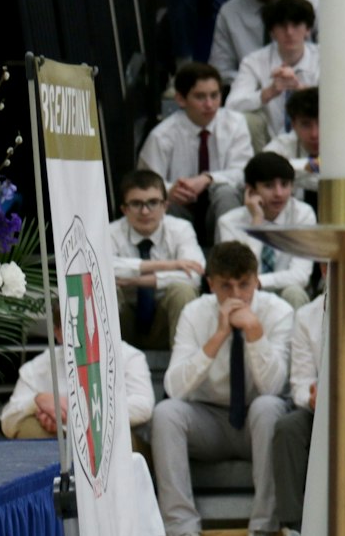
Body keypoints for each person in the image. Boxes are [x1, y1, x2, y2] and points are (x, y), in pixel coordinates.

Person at [152, 241, 294, 536]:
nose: (237, 295)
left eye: (244, 285)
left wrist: (255, 333)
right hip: (209, 422)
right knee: (166, 413)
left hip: (259, 421)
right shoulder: (194, 312)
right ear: (210, 284)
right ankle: (181, 528)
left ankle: (264, 526)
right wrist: (218, 336)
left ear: (257, 280)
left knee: (268, 407)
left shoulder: (278, 311)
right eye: (226, 286)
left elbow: (274, 387)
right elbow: (174, 387)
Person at [1, 301, 155, 440]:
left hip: (111, 442)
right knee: (30, 428)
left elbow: (143, 408)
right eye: (73, 326)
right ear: (58, 333)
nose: (84, 333)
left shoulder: (128, 356)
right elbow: (8, 421)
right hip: (57, 445)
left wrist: (72, 413)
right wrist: (37, 402)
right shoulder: (40, 365)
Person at [138, 62, 253, 244]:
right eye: (200, 97)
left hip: (220, 205)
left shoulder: (235, 123)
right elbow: (145, 184)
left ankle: (228, 262)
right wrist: (169, 190)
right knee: (163, 204)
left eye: (214, 96)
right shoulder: (161, 136)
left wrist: (207, 179)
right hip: (181, 208)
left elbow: (244, 172)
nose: (209, 104)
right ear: (181, 99)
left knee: (226, 194)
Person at [109, 169, 203, 350]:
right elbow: (102, 269)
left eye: (153, 202)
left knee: (183, 291)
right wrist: (170, 265)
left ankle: (182, 367)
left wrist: (136, 280)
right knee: (107, 290)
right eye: (136, 204)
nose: (145, 211)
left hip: (165, 321)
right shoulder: (111, 232)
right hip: (123, 321)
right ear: (124, 209)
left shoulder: (181, 229)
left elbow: (195, 275)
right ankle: (108, 368)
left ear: (165, 206)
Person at [216, 151, 317, 308]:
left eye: (284, 184)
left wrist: (259, 281)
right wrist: (257, 222)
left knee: (294, 292)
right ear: (251, 190)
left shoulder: (303, 214)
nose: (279, 193)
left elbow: (301, 275)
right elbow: (238, 273)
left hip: (284, 289)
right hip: (245, 294)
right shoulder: (228, 222)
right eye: (269, 186)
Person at [227, 0, 319, 141]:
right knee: (246, 119)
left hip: (317, 136)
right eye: (282, 26)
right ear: (272, 32)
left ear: (308, 29)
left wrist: (303, 92)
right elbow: (231, 107)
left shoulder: (324, 58)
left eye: (296, 25)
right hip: (269, 141)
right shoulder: (254, 61)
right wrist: (269, 92)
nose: (289, 32)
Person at [272, 294, 324, 536]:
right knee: (288, 428)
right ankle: (293, 525)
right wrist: (311, 397)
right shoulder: (306, 315)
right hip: (322, 411)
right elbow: (300, 383)